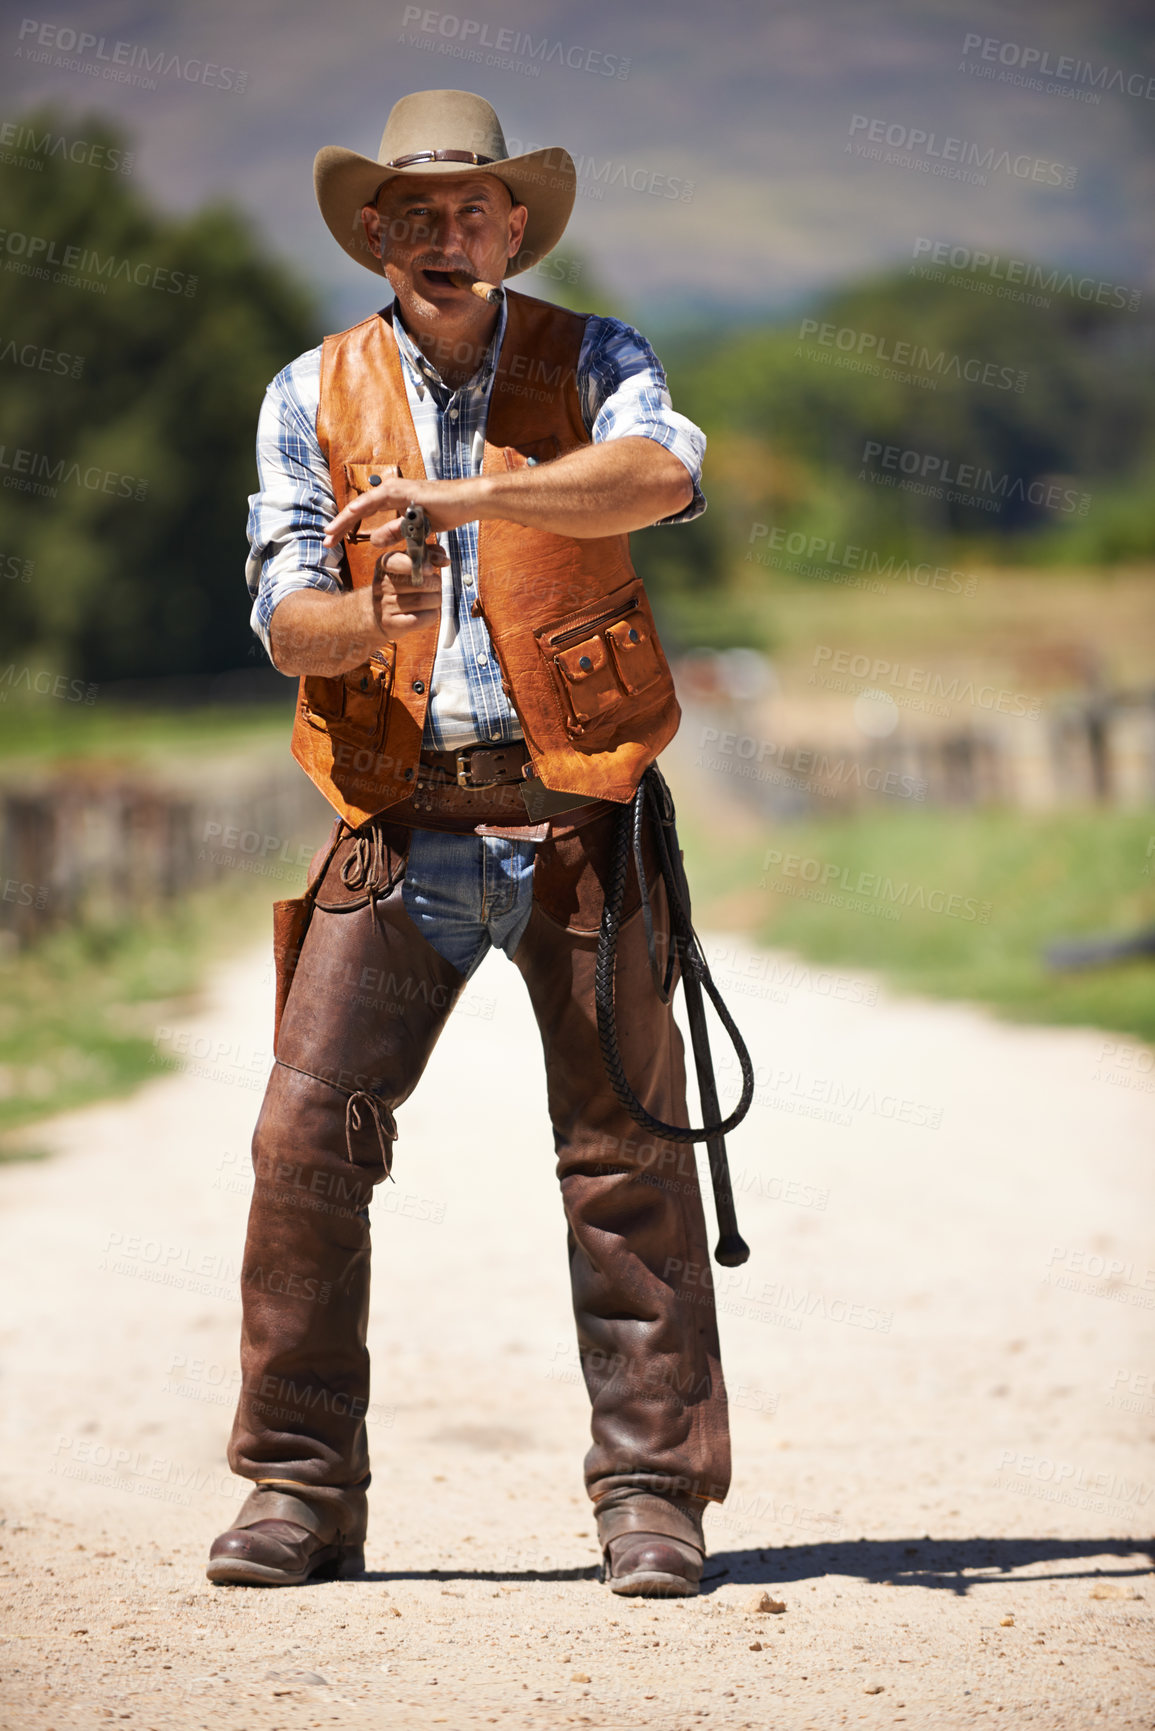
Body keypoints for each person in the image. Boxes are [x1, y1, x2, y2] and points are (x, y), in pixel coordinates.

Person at [207, 88, 730, 1597]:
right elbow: (281, 617)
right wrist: (367, 617)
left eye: (476, 211)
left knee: (626, 1157)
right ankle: (298, 1492)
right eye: (417, 215)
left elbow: (662, 478)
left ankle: (652, 1497)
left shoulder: (600, 359)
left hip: (584, 823)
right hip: (402, 824)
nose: (448, 236)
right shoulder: (307, 391)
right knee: (303, 1144)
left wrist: (468, 494)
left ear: (517, 230)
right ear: (377, 236)